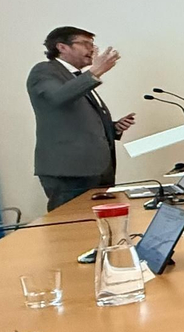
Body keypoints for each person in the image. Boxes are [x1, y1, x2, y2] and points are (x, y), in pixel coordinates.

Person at [28, 26, 136, 210]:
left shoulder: (75, 77)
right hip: (69, 172)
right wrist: (95, 72)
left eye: (92, 44)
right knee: (71, 223)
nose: (92, 49)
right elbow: (58, 97)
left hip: (98, 170)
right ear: (62, 47)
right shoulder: (44, 71)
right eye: (85, 44)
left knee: (97, 223)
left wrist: (113, 128)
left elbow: (78, 119)